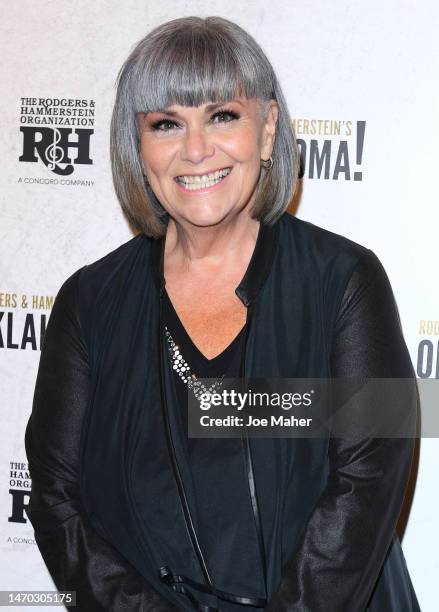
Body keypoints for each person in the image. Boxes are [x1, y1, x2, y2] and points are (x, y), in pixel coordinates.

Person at [25, 15, 420, 612]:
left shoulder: (345, 282)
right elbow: (56, 498)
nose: (195, 149)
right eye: (166, 124)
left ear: (266, 131)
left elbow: (368, 481)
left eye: (222, 116)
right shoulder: (88, 302)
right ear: (138, 148)